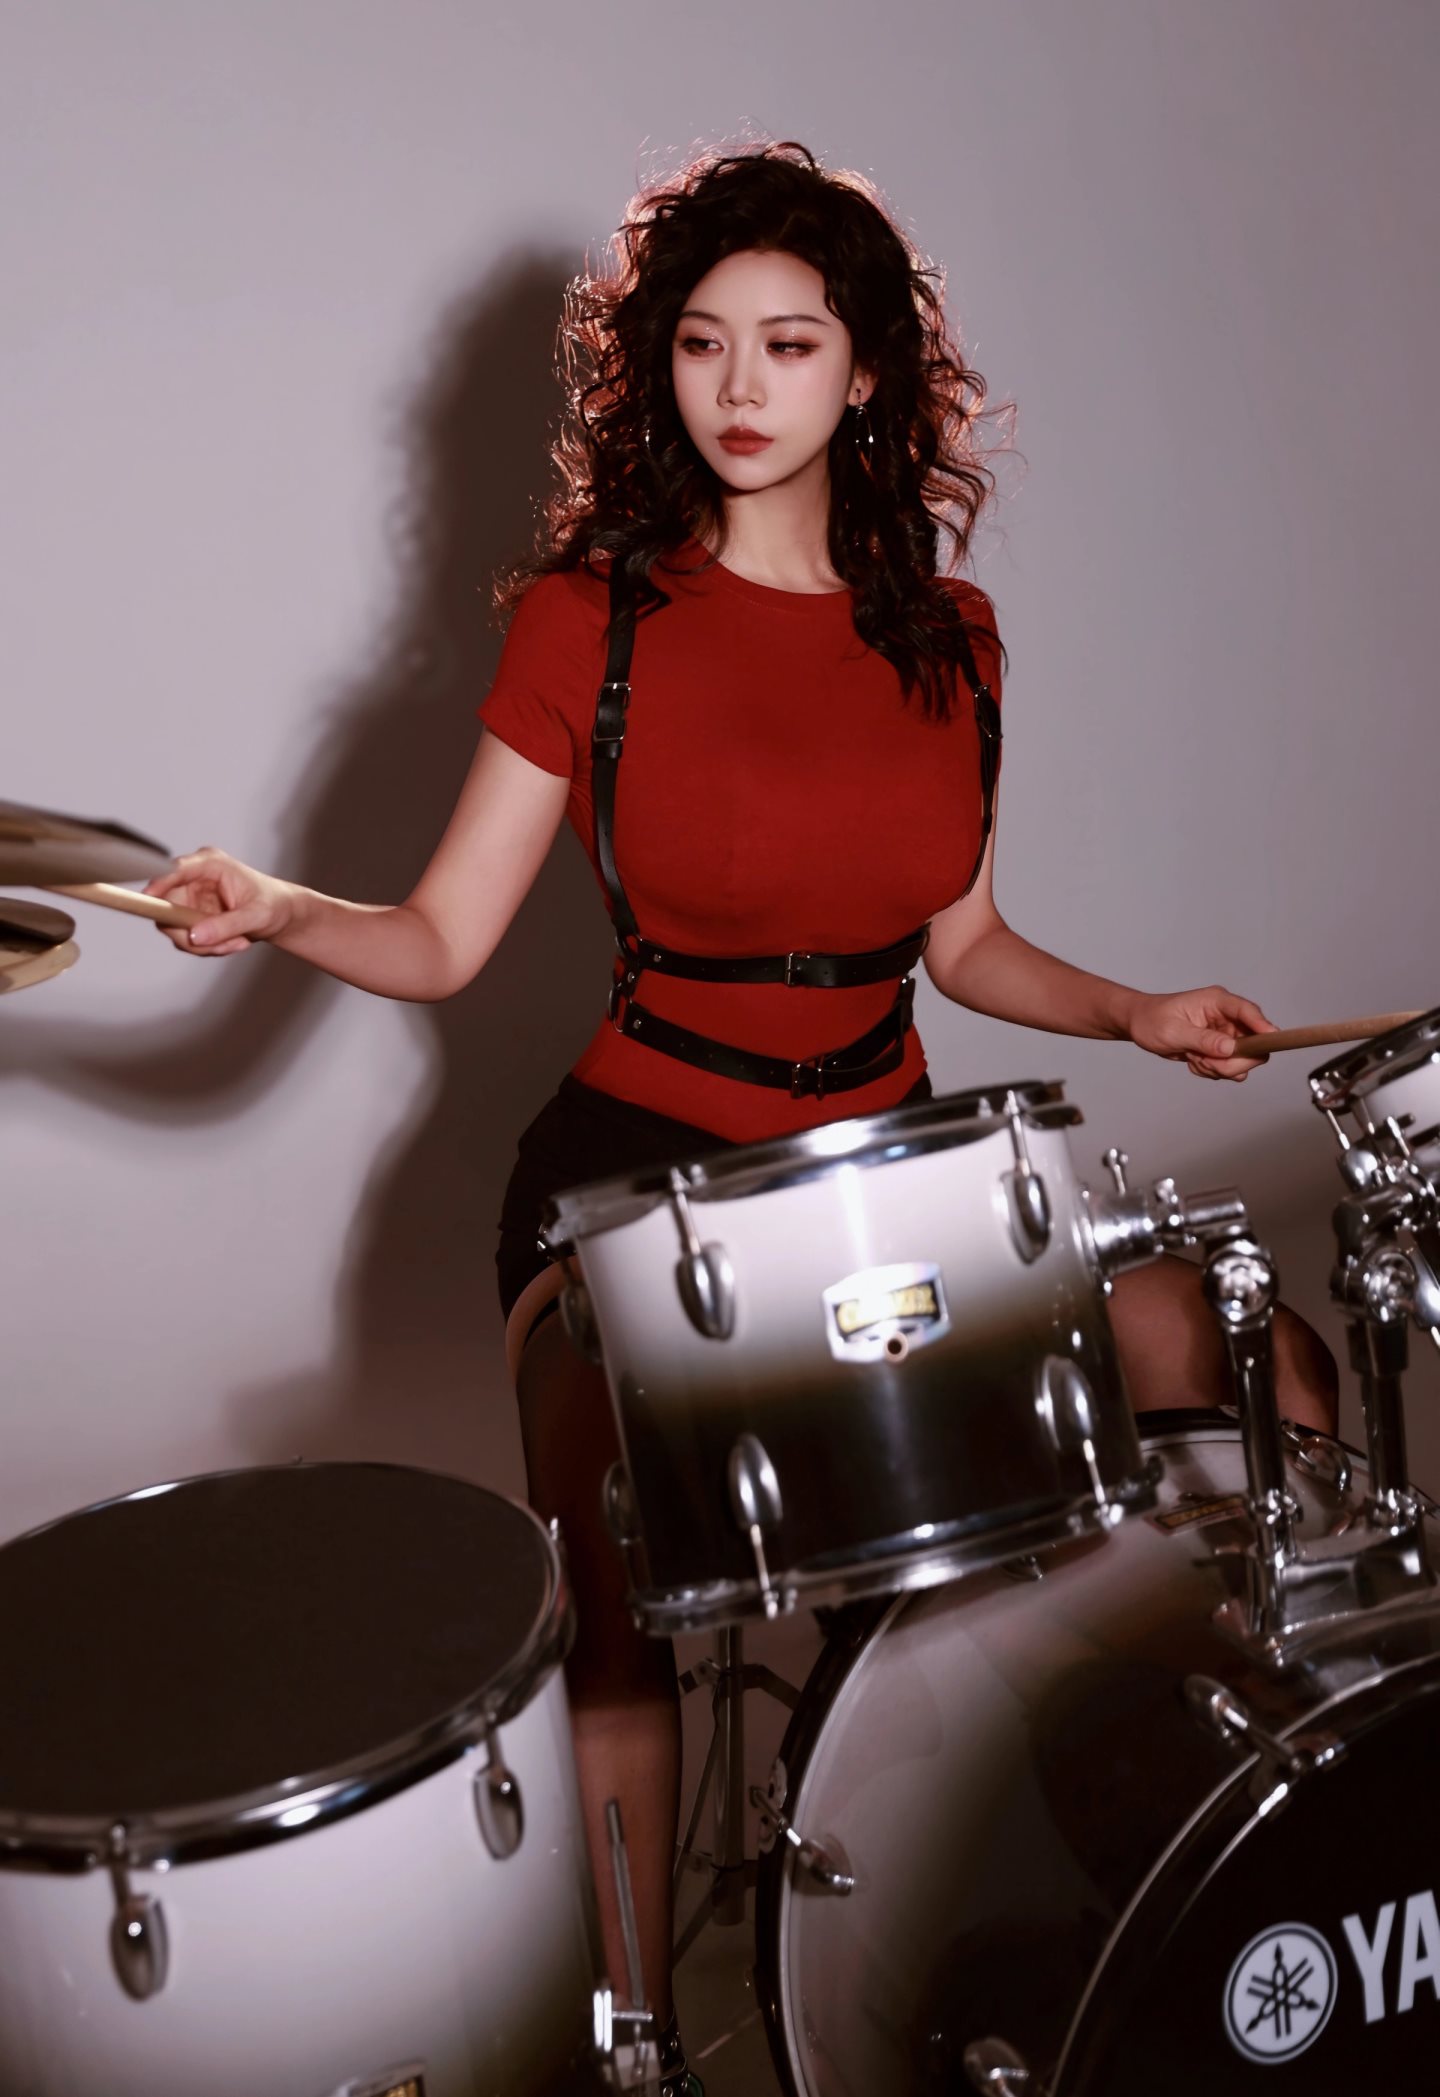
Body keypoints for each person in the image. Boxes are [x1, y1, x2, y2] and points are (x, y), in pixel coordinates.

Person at [148, 141, 1337, 2095]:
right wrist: (276, 907)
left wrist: (1138, 1006)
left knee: (1255, 1353)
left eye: (790, 342)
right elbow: (443, 940)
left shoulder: (953, 638)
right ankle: (639, 2040)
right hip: (635, 1182)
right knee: (610, 1539)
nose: (741, 383)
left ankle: (1289, 1839)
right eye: (703, 342)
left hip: (883, 1182)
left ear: (866, 374)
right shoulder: (590, 620)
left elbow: (962, 940)